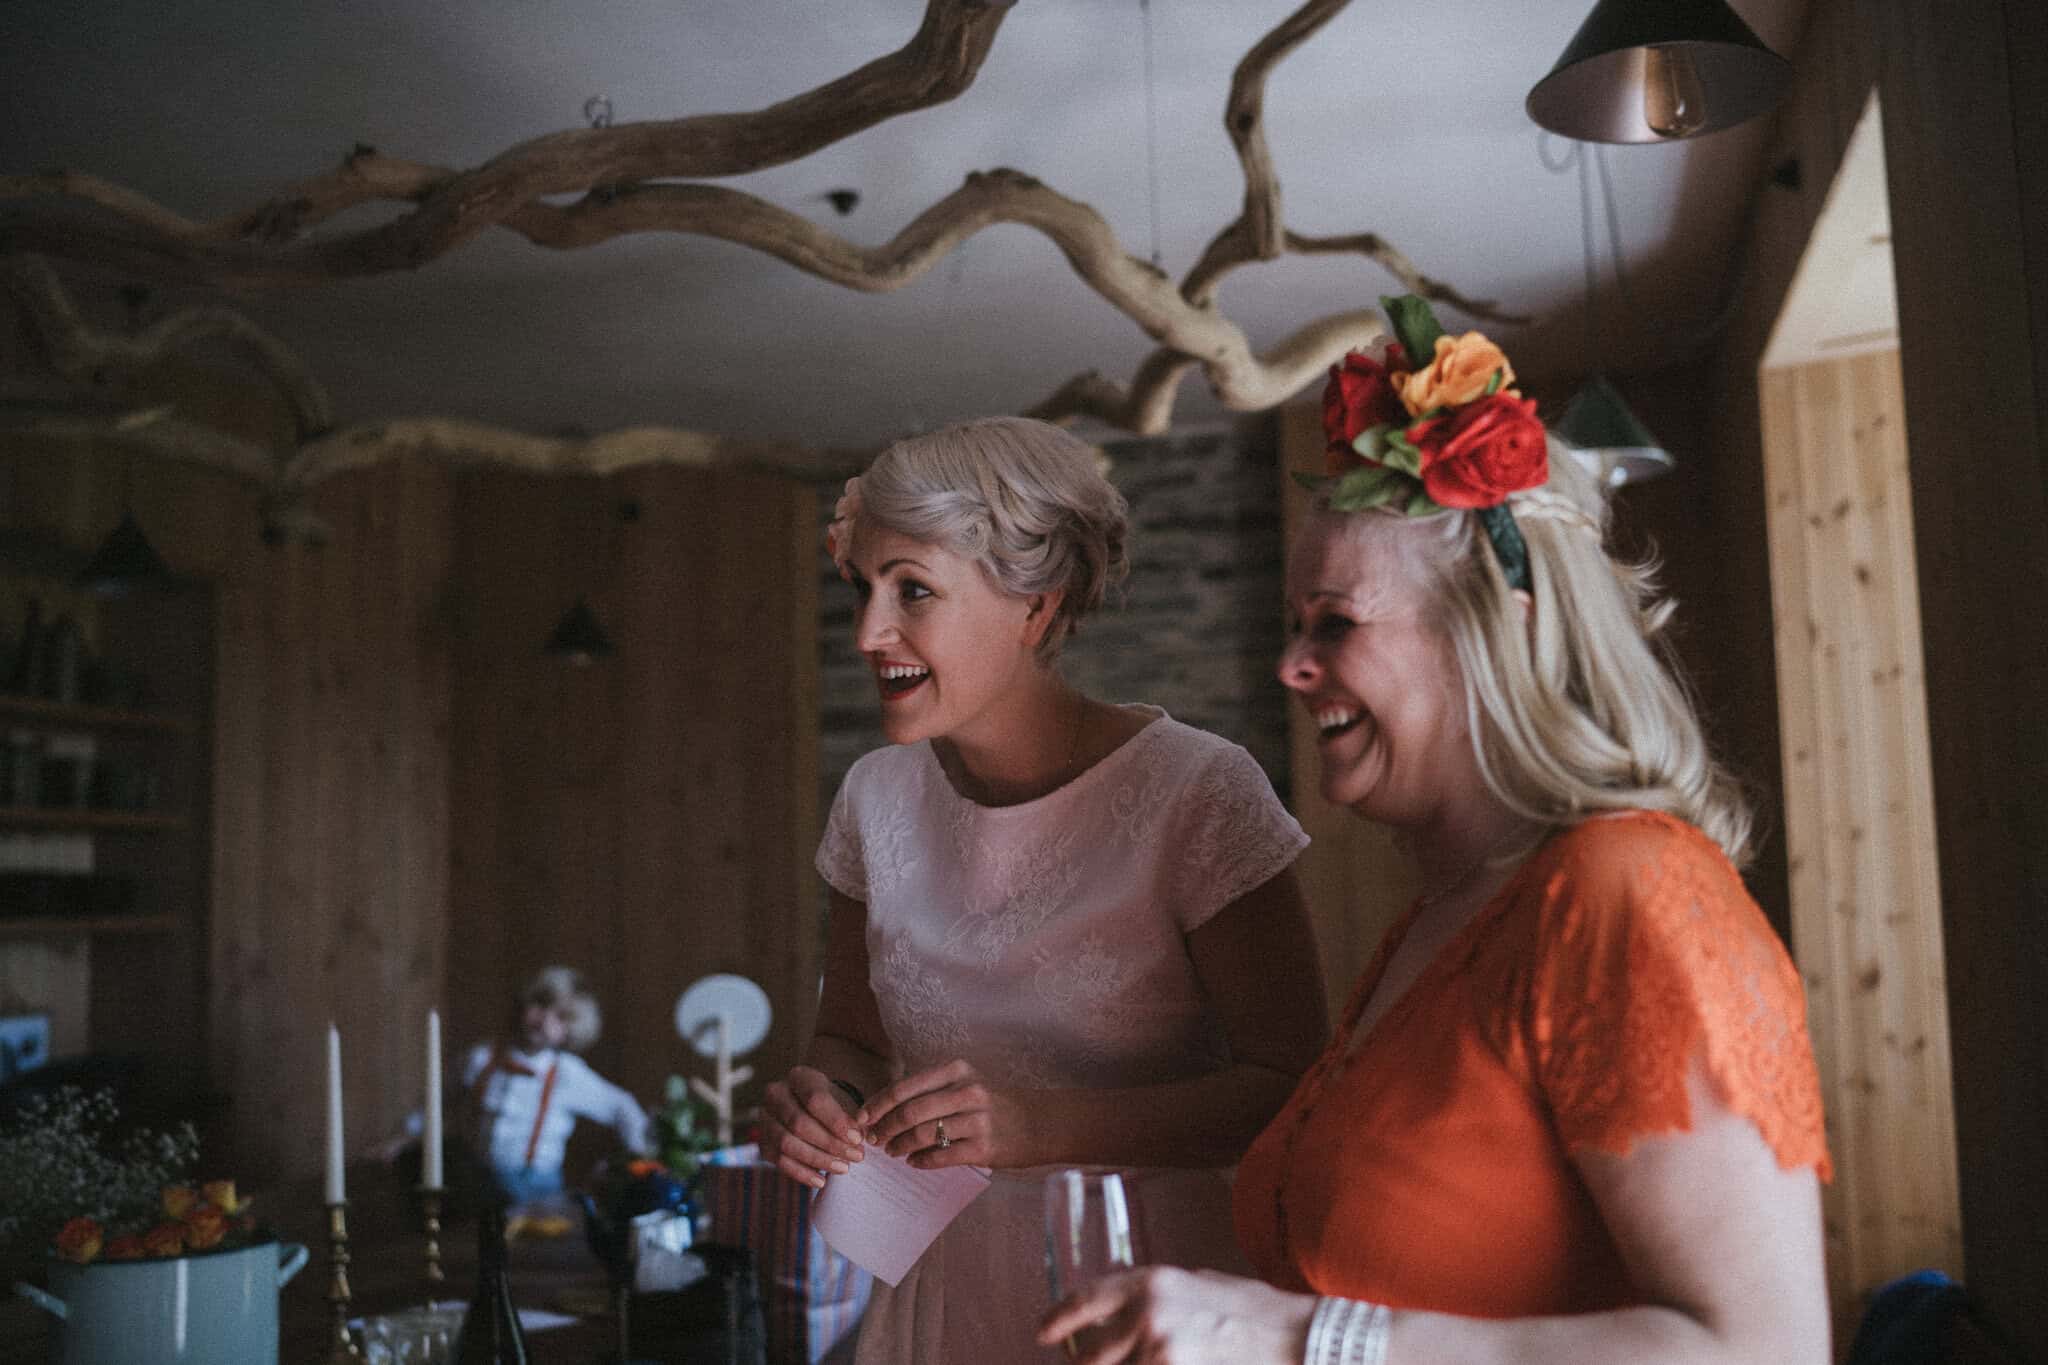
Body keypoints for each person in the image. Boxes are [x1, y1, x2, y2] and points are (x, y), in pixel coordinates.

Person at [1038, 298, 1833, 1364]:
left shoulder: (1625, 891)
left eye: (1335, 622)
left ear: (1495, 633)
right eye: (1290, 628)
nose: (1290, 668)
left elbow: (1761, 1352)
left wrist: (1292, 1337)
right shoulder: (1444, 920)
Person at [762, 416, 1329, 1365]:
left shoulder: (1197, 790)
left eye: (913, 591)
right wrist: (822, 1100)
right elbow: (853, 1039)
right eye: (862, 589)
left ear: (1035, 604)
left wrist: (1037, 1125)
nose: (870, 632)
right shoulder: (872, 799)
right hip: (936, 1293)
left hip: (1145, 1298)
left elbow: (1294, 1089)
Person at [460, 965, 651, 1206]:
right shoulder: (482, 1058)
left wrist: (639, 1155)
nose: (544, 1021)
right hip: (478, 1181)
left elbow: (621, 1106)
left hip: (536, 1188)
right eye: (539, 1005)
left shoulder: (567, 1074)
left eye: (560, 1017)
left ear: (571, 1029)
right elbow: (439, 1101)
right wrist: (405, 1135)